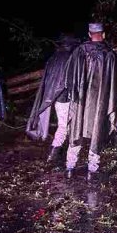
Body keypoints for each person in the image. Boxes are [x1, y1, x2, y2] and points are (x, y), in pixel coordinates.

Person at [65, 22, 117, 181]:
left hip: (81, 101)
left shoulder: (79, 52)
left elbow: (69, 77)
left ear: (90, 34)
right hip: (100, 102)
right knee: (97, 131)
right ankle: (92, 170)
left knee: (77, 129)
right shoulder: (109, 55)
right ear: (103, 34)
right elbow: (115, 85)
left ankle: (70, 167)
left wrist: (74, 94)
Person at [26, 34, 80, 163]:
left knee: (64, 126)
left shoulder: (54, 57)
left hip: (57, 98)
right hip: (65, 97)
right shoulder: (70, 58)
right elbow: (70, 81)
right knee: (64, 127)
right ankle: (54, 154)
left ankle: (56, 154)